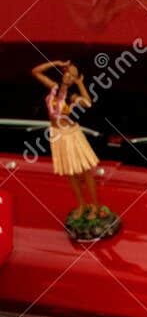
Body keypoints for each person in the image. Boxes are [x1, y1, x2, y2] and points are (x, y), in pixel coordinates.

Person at [31, 59, 120, 241]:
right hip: (57, 136)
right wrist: (55, 62)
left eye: (73, 75)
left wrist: (80, 84)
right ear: (63, 72)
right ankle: (81, 205)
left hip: (71, 135)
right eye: (67, 72)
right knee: (70, 173)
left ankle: (94, 206)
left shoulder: (71, 96)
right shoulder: (54, 88)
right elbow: (35, 71)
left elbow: (87, 103)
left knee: (85, 171)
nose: (69, 76)